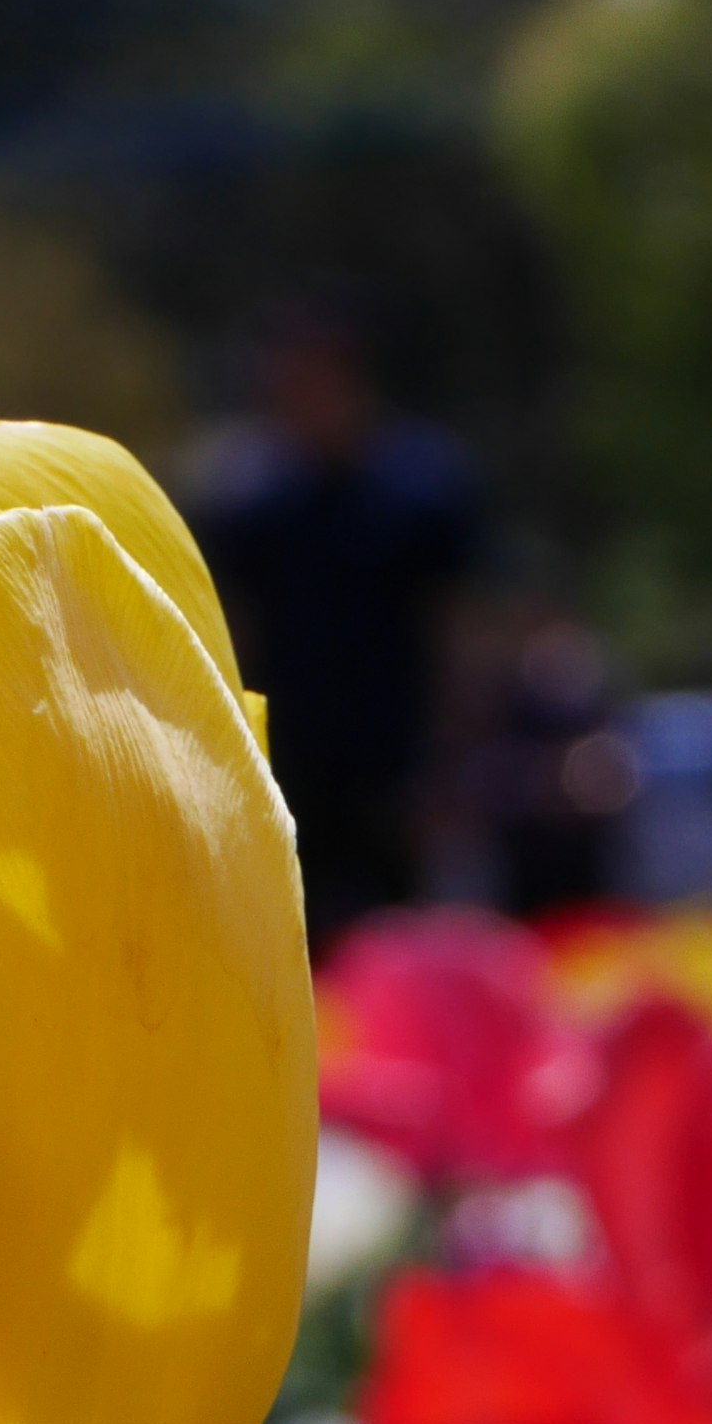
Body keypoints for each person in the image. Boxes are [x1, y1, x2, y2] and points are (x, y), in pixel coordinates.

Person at [193, 301, 486, 946]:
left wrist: (450, 764)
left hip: (392, 766)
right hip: (287, 769)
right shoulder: (247, 501)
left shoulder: (422, 491)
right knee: (294, 945)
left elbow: (453, 635)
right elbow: (228, 636)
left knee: (400, 943)